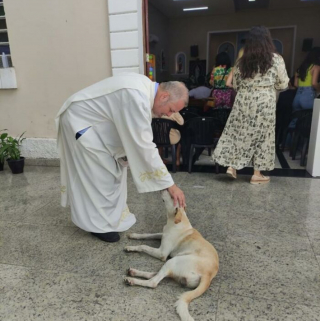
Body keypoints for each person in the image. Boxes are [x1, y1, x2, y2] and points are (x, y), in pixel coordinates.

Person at [55, 74, 188, 243]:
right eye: (170, 110)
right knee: (99, 178)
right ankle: (98, 226)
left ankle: (111, 218)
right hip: (81, 124)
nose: (168, 115)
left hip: (97, 126)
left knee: (115, 174)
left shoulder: (144, 91)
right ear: (164, 96)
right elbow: (145, 146)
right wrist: (171, 185)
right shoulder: (136, 96)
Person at [212, 26, 289, 185]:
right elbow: (283, 84)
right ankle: (256, 174)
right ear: (268, 40)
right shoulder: (276, 59)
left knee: (239, 132)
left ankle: (232, 166)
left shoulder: (241, 61)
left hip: (244, 100)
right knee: (263, 136)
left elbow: (235, 84)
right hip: (264, 102)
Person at [292, 47, 320, 112]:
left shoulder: (300, 68)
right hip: (308, 96)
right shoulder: (316, 67)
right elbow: (314, 83)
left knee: (295, 119)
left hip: (297, 96)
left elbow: (296, 84)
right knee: (308, 120)